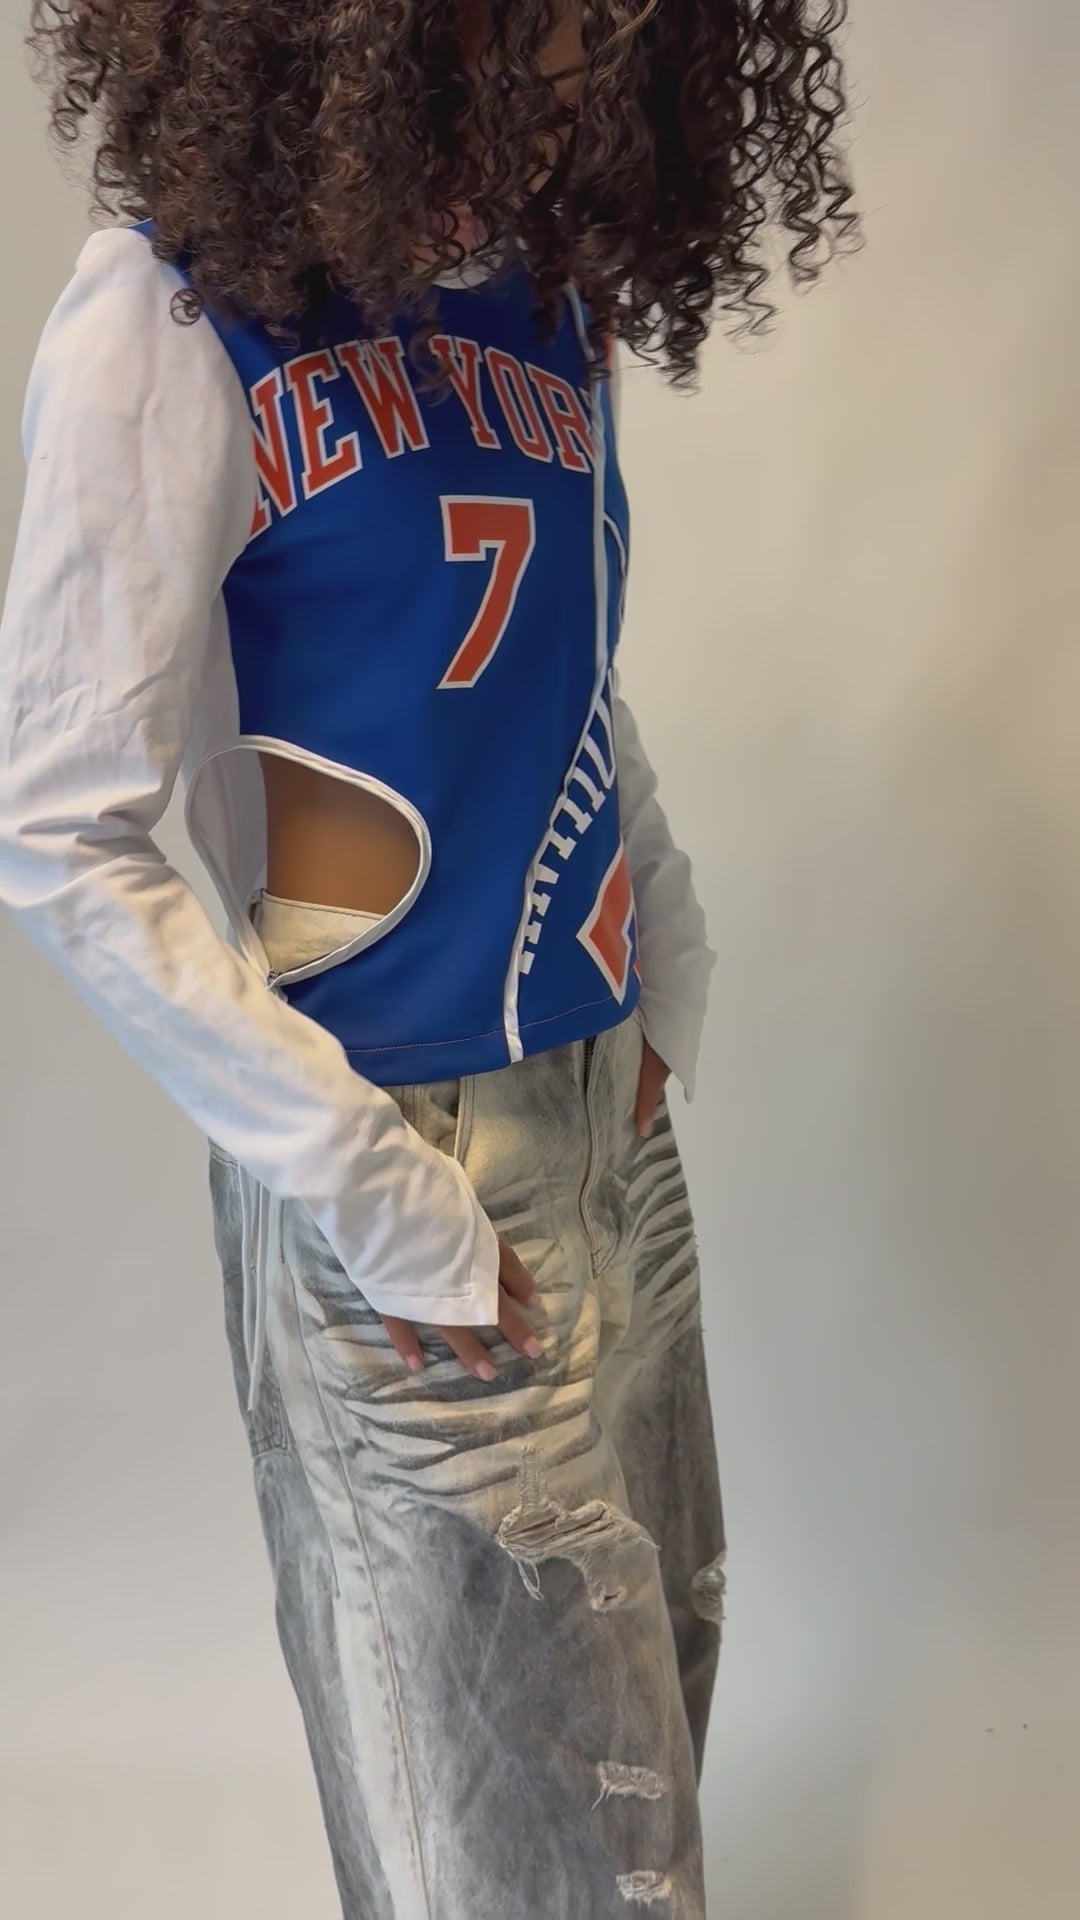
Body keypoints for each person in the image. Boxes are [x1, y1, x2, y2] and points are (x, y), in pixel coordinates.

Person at [0, 2, 860, 1913]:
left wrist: (668, 956)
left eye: (616, 25)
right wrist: (371, 1191)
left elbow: (561, 680)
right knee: (530, 1866)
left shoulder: (550, 301)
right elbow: (57, 823)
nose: (586, 62)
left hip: (610, 1129)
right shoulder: (170, 317)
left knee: (646, 1792)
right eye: (544, 19)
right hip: (409, 1168)